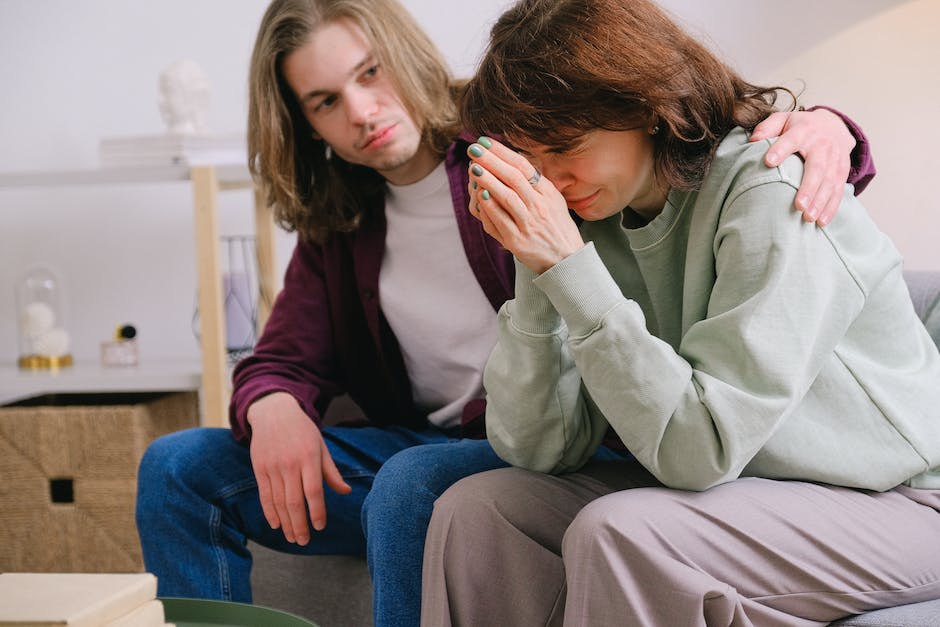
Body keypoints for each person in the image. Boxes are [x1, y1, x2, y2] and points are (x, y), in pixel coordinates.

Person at [134, 0, 875, 625]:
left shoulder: (521, 140)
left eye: (369, 72)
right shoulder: (342, 213)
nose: (361, 112)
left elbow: (699, 144)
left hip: (571, 432)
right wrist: (270, 404)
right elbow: (282, 356)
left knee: (413, 482)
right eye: (325, 101)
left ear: (404, 54)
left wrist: (831, 128)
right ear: (304, 122)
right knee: (176, 466)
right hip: (441, 439)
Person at [420, 0, 940, 625]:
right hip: (749, 490)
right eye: (530, 159)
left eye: (564, 147)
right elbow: (538, 449)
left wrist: (569, 268)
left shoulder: (770, 190)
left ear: (640, 106)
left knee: (623, 531)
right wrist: (538, 267)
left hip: (900, 501)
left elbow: (701, 449)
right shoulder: (591, 211)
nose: (549, 180)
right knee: (478, 511)